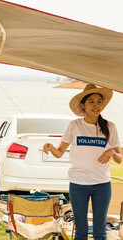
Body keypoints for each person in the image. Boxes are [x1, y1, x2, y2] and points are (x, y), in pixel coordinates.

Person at [43, 83, 122, 240]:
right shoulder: (74, 125)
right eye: (91, 101)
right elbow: (59, 153)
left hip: (102, 185)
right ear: (82, 105)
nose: (96, 105)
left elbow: (119, 160)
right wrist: (51, 148)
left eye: (99, 101)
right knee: (80, 231)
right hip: (78, 184)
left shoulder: (110, 127)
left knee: (100, 231)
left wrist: (113, 151)